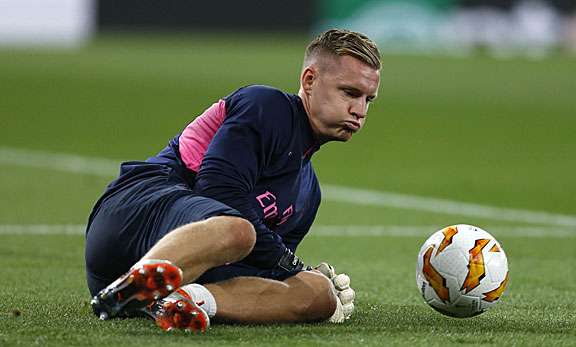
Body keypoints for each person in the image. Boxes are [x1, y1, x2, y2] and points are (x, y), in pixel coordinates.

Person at [85, 28, 381, 332]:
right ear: (309, 80)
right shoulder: (268, 106)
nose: (359, 111)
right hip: (136, 210)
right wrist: (291, 266)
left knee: (320, 297)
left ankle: (183, 299)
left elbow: (250, 270)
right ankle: (140, 283)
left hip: (182, 262)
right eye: (349, 93)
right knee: (239, 230)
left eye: (369, 100)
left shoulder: (308, 195)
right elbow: (218, 189)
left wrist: (303, 280)